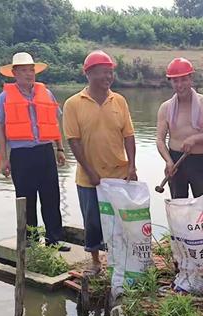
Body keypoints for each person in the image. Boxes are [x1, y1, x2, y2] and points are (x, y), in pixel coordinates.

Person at [63, 50, 137, 273]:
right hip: (89, 178)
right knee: (93, 222)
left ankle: (119, 260)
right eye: (103, 72)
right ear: (89, 74)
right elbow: (74, 141)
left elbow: (129, 135)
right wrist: (91, 171)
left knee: (120, 221)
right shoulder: (73, 104)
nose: (108, 77)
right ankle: (95, 261)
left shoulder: (119, 101)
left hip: (118, 175)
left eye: (110, 72)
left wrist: (132, 165)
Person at [156, 57, 203, 266]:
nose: (179, 85)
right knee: (179, 209)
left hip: (198, 162)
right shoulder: (165, 107)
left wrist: (196, 138)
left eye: (183, 80)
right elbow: (159, 139)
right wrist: (168, 161)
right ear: (170, 82)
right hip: (175, 163)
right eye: (175, 81)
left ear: (191, 78)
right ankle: (182, 255)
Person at [0, 52, 69, 250]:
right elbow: (0, 130)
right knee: (26, 198)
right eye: (24, 70)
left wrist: (59, 148)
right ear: (14, 73)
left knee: (51, 196)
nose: (29, 74)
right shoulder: (4, 97)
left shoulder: (47, 93)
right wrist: (4, 159)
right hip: (21, 155)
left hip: (45, 151)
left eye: (31, 70)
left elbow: (53, 123)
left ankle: (54, 239)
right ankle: (31, 241)